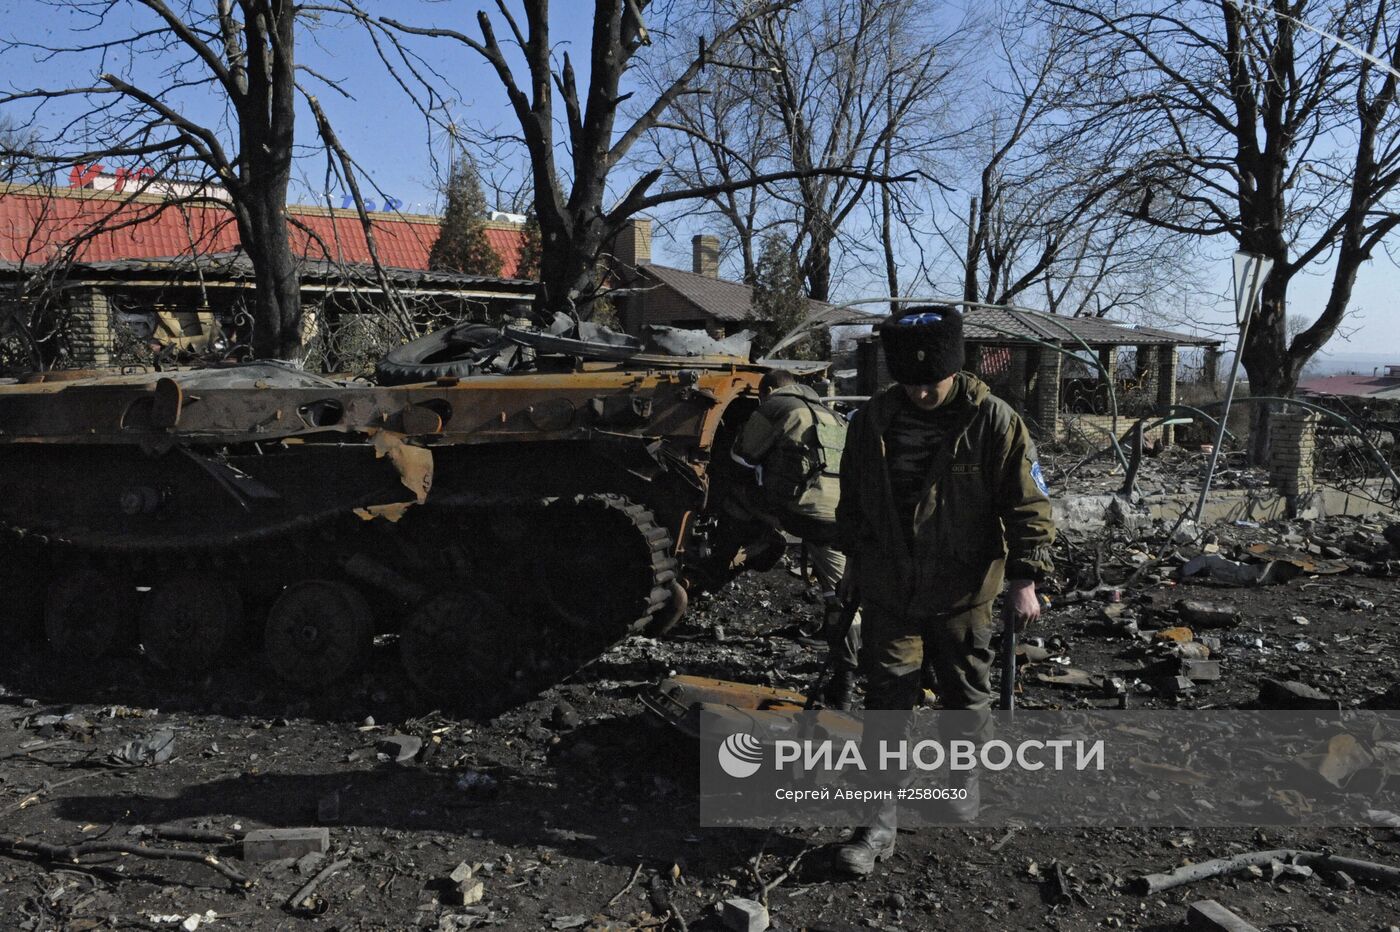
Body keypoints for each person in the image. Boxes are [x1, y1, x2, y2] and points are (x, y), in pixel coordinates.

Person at [831, 305, 1056, 877]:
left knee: (964, 695)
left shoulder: (995, 421)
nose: (923, 393)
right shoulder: (870, 423)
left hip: (964, 589)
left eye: (932, 383)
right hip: (889, 586)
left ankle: (963, 781)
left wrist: (1025, 578)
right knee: (887, 701)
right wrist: (853, 564)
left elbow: (1027, 505)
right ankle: (876, 823)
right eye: (911, 383)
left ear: (955, 368)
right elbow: (853, 503)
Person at [727, 368, 861, 710]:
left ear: (769, 389)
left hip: (799, 512)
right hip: (841, 515)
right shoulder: (830, 413)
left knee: (731, 496)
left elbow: (741, 459)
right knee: (840, 591)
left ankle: (757, 544)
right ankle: (845, 675)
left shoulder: (775, 406)